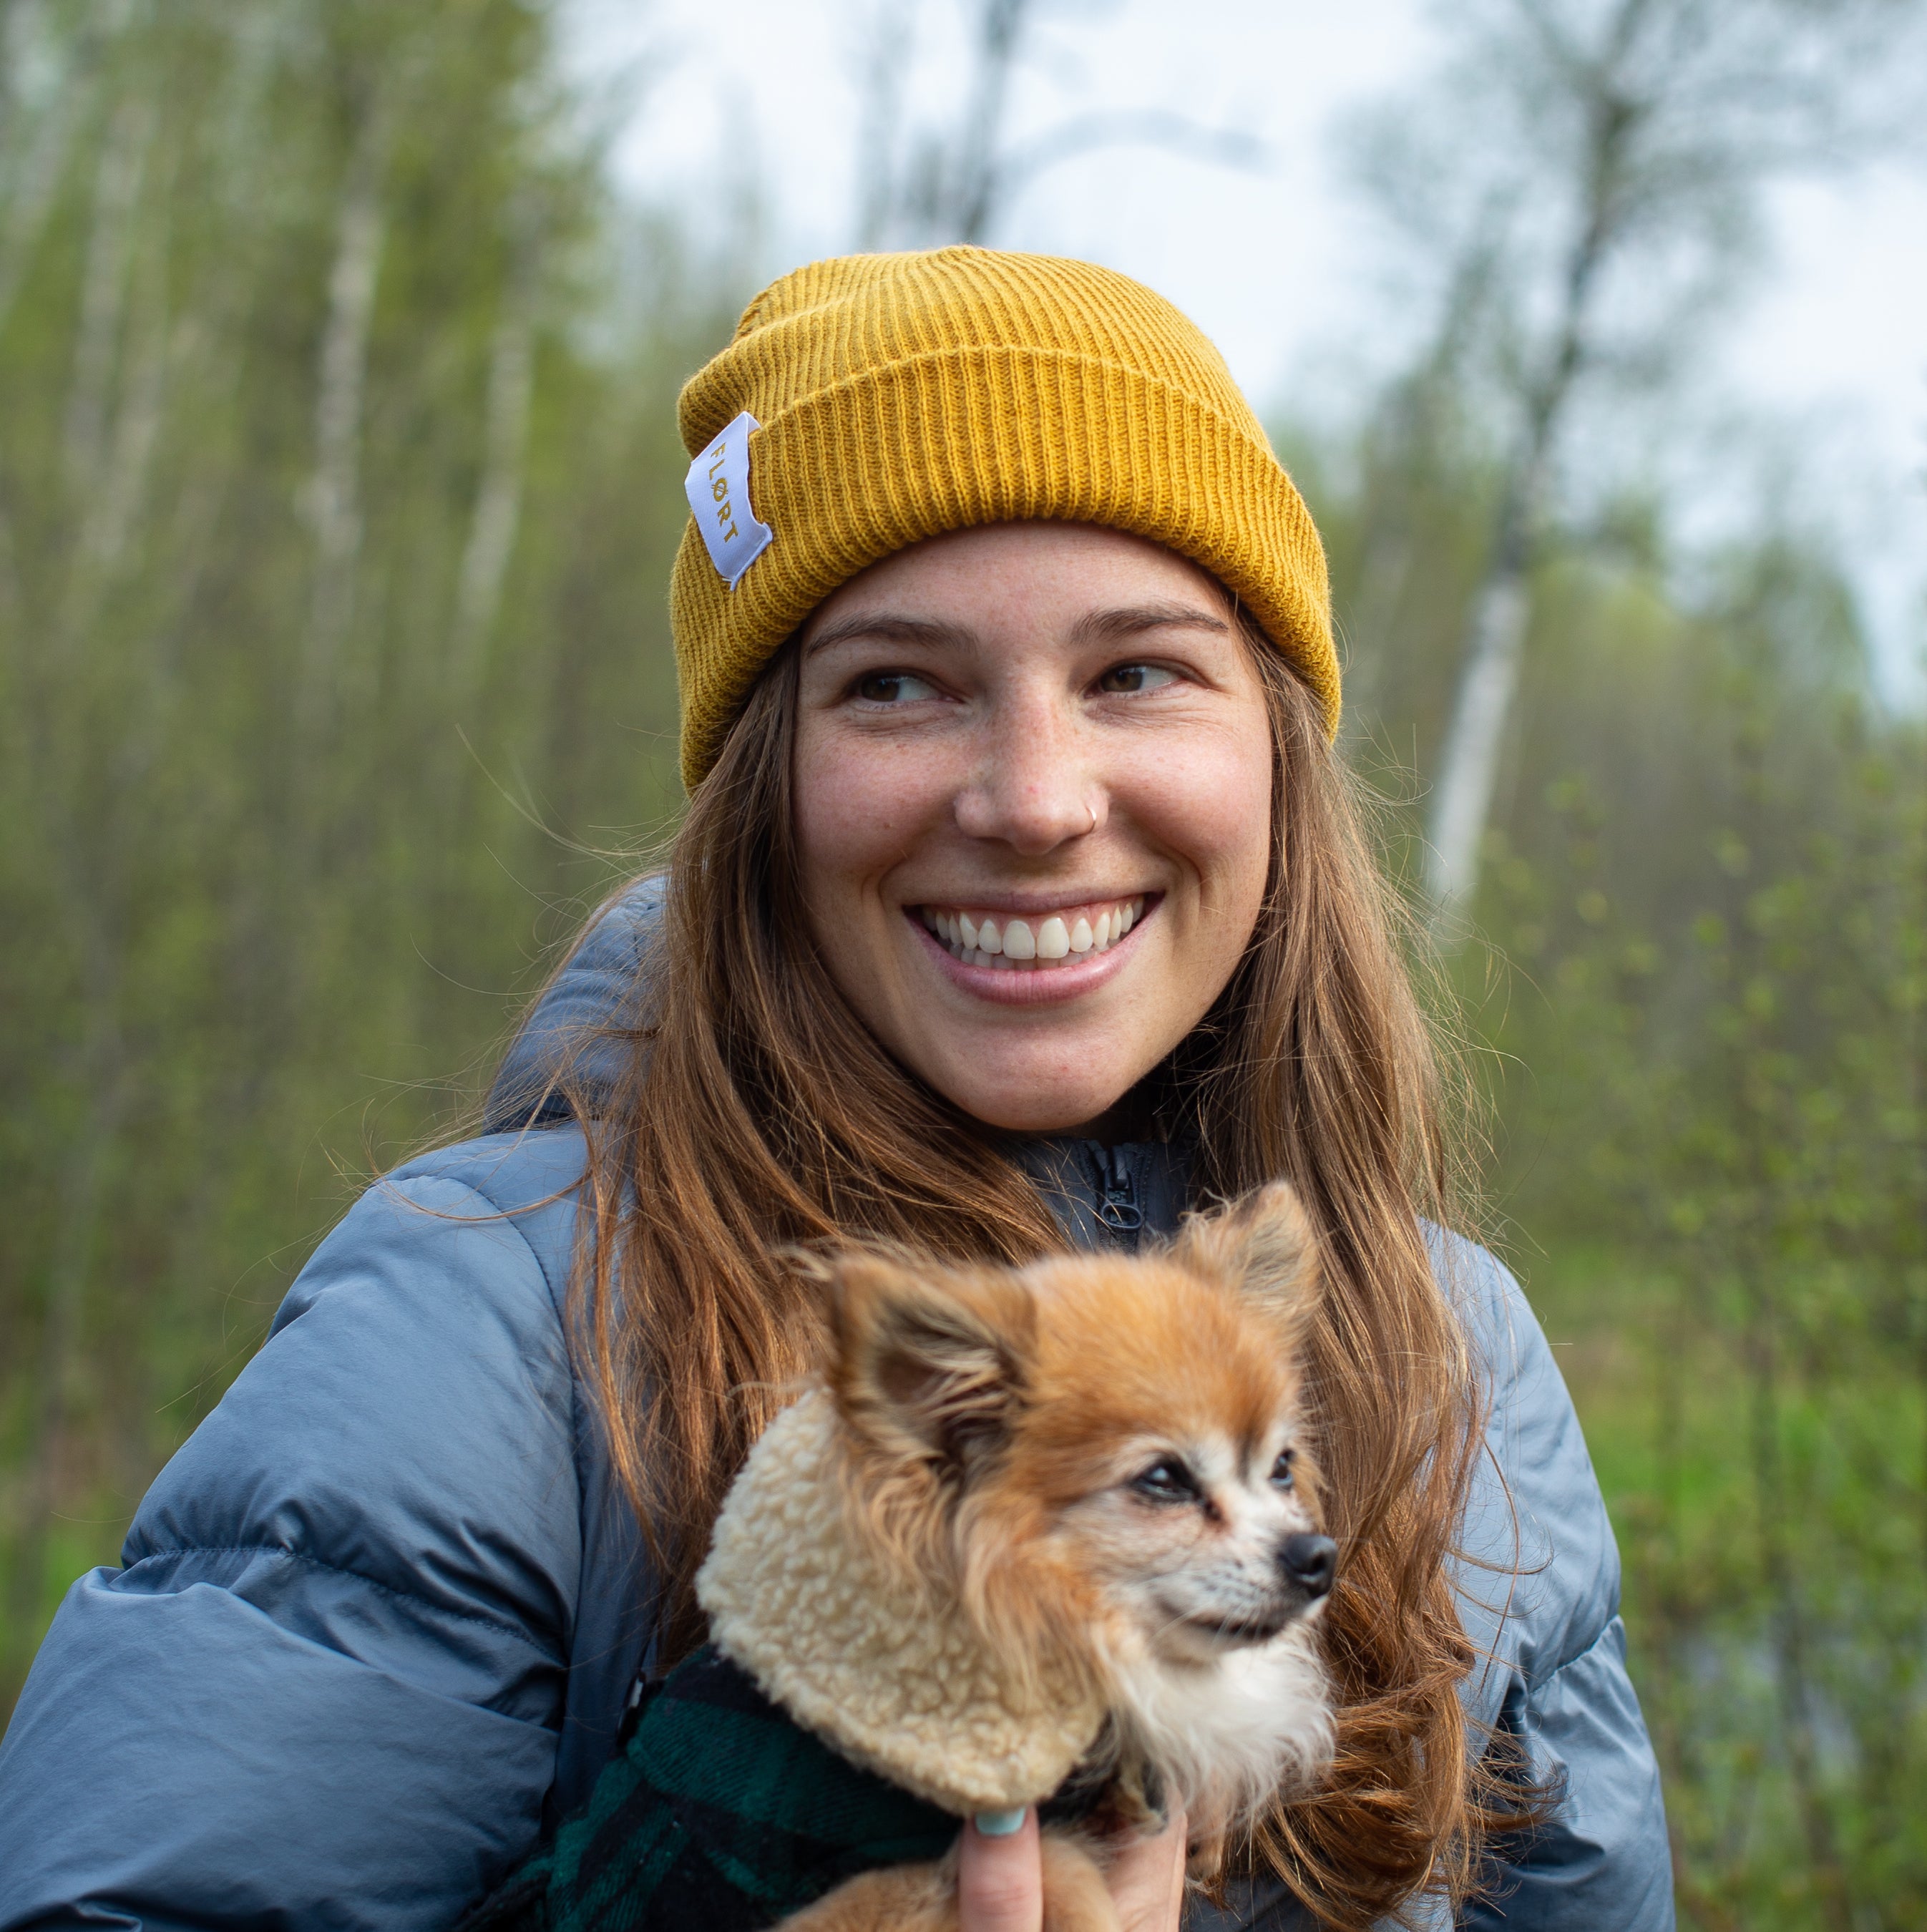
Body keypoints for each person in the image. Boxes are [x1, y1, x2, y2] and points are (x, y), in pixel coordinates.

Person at [0, 248, 1672, 1932]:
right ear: (765, 792)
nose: (1034, 799)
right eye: (897, 684)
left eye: (1137, 671)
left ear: (1279, 755)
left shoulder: (1459, 1355)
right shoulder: (491, 1329)